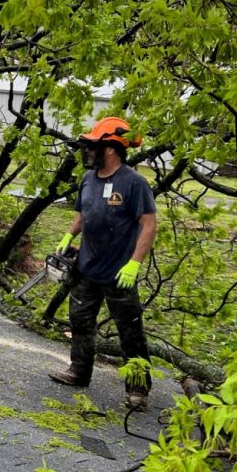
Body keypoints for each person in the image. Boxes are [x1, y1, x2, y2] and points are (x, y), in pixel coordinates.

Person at [49, 117, 157, 410]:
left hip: (118, 272)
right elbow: (83, 212)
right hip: (87, 267)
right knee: (80, 321)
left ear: (110, 148)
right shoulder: (89, 179)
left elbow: (149, 224)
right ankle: (79, 372)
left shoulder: (134, 183)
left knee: (130, 331)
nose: (88, 151)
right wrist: (68, 235)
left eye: (93, 146)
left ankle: (138, 390)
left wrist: (134, 263)